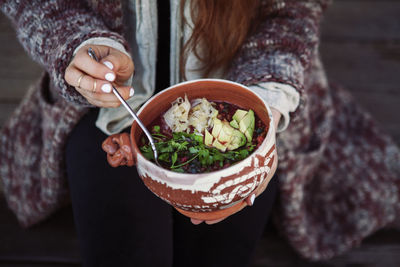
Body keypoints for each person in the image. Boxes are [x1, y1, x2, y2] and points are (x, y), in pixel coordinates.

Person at [0, 0, 399, 266]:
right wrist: (81, 44)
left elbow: (292, 9)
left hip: (251, 88)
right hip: (103, 108)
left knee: (221, 245)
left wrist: (262, 116)